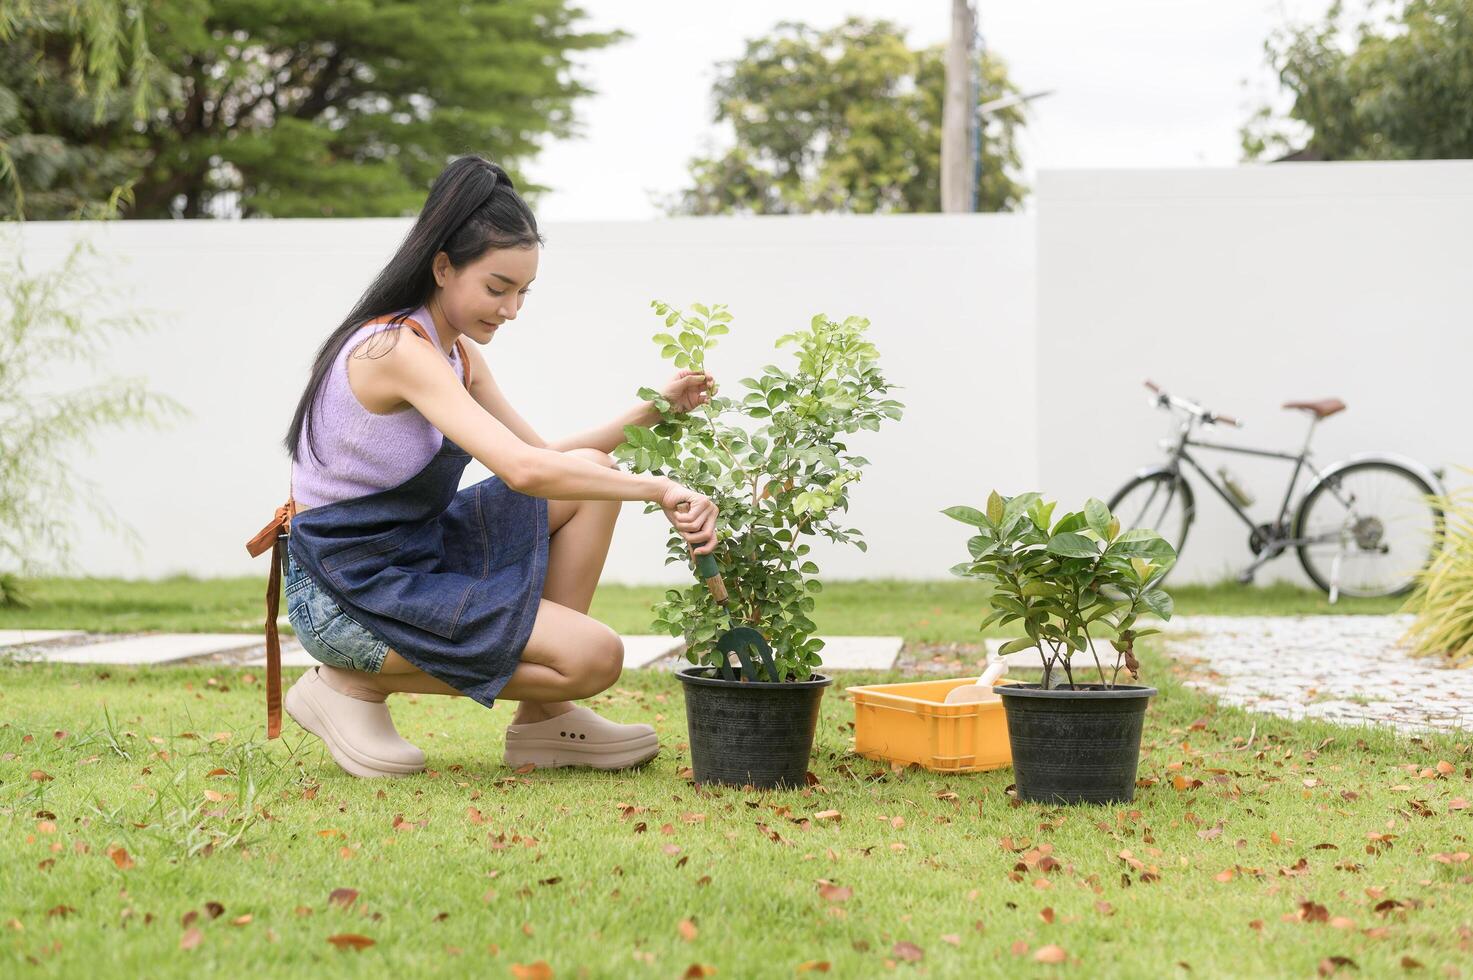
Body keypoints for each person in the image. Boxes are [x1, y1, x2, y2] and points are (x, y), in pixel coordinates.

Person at [246, 155, 718, 779]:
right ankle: (345, 684)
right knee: (596, 657)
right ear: (442, 267)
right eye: (498, 288)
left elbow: (545, 459)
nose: (512, 308)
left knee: (591, 474)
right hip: (344, 590)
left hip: (418, 552)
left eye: (523, 292)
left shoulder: (456, 353)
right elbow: (523, 471)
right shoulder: (394, 350)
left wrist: (654, 410)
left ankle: (544, 719)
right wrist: (657, 489)